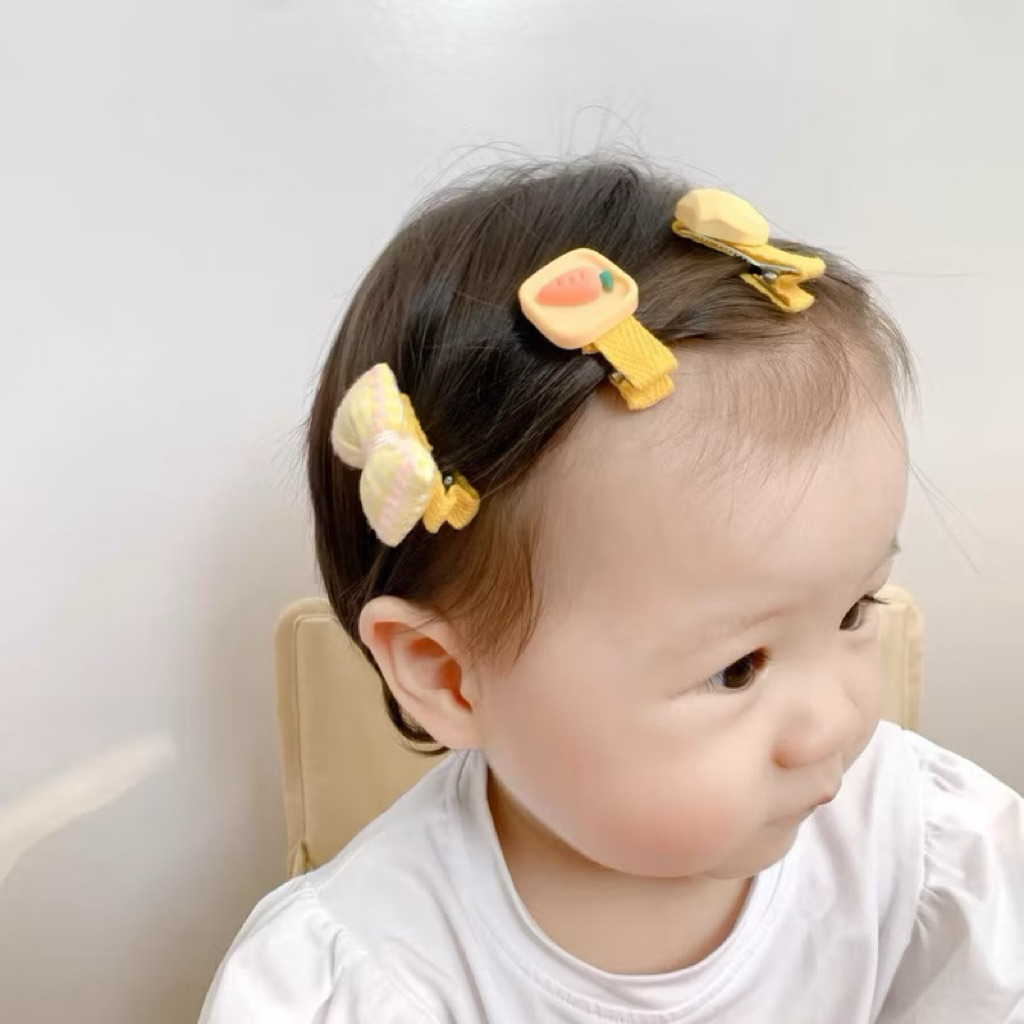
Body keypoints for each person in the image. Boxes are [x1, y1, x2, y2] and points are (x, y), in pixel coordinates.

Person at [200, 161, 1024, 1022]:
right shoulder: (362, 982)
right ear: (447, 677)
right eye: (737, 667)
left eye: (855, 610)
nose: (835, 720)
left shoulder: (923, 848)